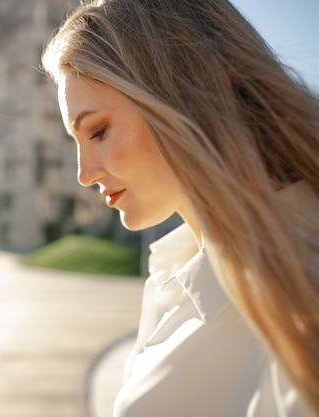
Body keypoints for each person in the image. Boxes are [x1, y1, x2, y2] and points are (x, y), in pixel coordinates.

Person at [41, 0, 319, 416]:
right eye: (76, 141)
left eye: (98, 131)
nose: (84, 174)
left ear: (203, 86)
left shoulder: (301, 297)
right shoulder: (177, 275)